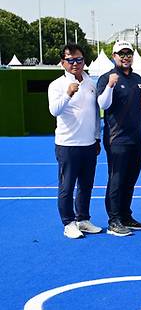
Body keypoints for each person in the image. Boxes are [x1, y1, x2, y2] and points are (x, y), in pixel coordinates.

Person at [48, 43, 102, 239]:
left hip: (88, 144)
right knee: (67, 186)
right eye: (70, 60)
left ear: (84, 61)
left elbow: (96, 114)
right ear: (63, 62)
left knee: (86, 185)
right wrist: (68, 94)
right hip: (67, 144)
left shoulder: (91, 84)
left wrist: (97, 137)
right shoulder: (56, 85)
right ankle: (68, 223)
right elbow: (54, 110)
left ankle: (83, 219)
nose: (75, 63)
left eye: (78, 59)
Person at [97, 40, 141, 237]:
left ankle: (126, 215)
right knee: (116, 180)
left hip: (136, 138)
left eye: (128, 53)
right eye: (121, 54)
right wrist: (110, 86)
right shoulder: (107, 78)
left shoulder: (136, 77)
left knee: (130, 179)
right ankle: (114, 220)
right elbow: (103, 103)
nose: (125, 57)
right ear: (114, 56)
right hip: (117, 139)